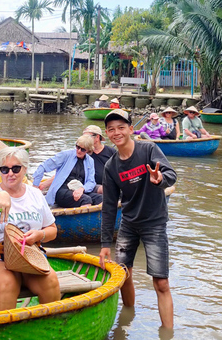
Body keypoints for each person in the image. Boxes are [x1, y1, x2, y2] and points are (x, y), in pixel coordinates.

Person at [99, 109, 177, 329]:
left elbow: (171, 175)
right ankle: (128, 320)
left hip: (154, 223)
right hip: (129, 225)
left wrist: (160, 178)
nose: (117, 132)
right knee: (123, 275)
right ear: (107, 134)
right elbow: (108, 208)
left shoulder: (148, 149)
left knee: (161, 282)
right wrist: (105, 244)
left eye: (121, 127)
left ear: (131, 129)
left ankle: (167, 334)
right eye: (112, 129)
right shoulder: (111, 166)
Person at [0, 147, 60, 311]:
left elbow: (52, 230)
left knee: (51, 280)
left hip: (29, 256)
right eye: (4, 169)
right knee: (8, 284)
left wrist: (39, 234)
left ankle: (51, 327)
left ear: (25, 169)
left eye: (16, 168)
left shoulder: (35, 195)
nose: (10, 174)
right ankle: (4, 332)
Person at [32, 135, 101, 207]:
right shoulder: (65, 155)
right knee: (86, 200)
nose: (79, 150)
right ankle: (84, 218)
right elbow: (43, 166)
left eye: (83, 149)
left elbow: (91, 181)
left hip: (78, 190)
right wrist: (35, 187)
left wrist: (82, 189)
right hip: (61, 190)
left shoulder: (90, 161)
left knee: (101, 199)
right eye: (77, 147)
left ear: (88, 150)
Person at [83, 124, 116, 194]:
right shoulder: (83, 153)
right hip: (88, 186)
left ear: (97, 137)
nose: (84, 140)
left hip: (108, 186)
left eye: (87, 137)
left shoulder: (111, 152)